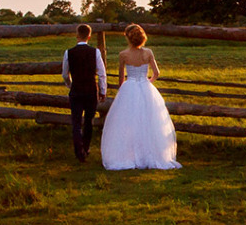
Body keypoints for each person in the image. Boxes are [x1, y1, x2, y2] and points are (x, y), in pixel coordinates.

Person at [100, 24, 180, 171]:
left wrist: (124, 89)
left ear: (128, 38)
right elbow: (157, 73)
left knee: (127, 123)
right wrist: (147, 82)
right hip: (145, 87)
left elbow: (120, 78)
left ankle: (128, 154)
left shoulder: (123, 54)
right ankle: (150, 153)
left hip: (129, 87)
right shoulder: (148, 52)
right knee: (149, 121)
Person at [62, 23, 108, 162]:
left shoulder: (68, 52)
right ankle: (86, 148)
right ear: (89, 36)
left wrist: (70, 84)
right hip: (90, 90)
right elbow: (101, 73)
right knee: (88, 120)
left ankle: (78, 151)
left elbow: (65, 73)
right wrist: (103, 90)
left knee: (76, 121)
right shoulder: (95, 52)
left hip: (76, 90)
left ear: (77, 36)